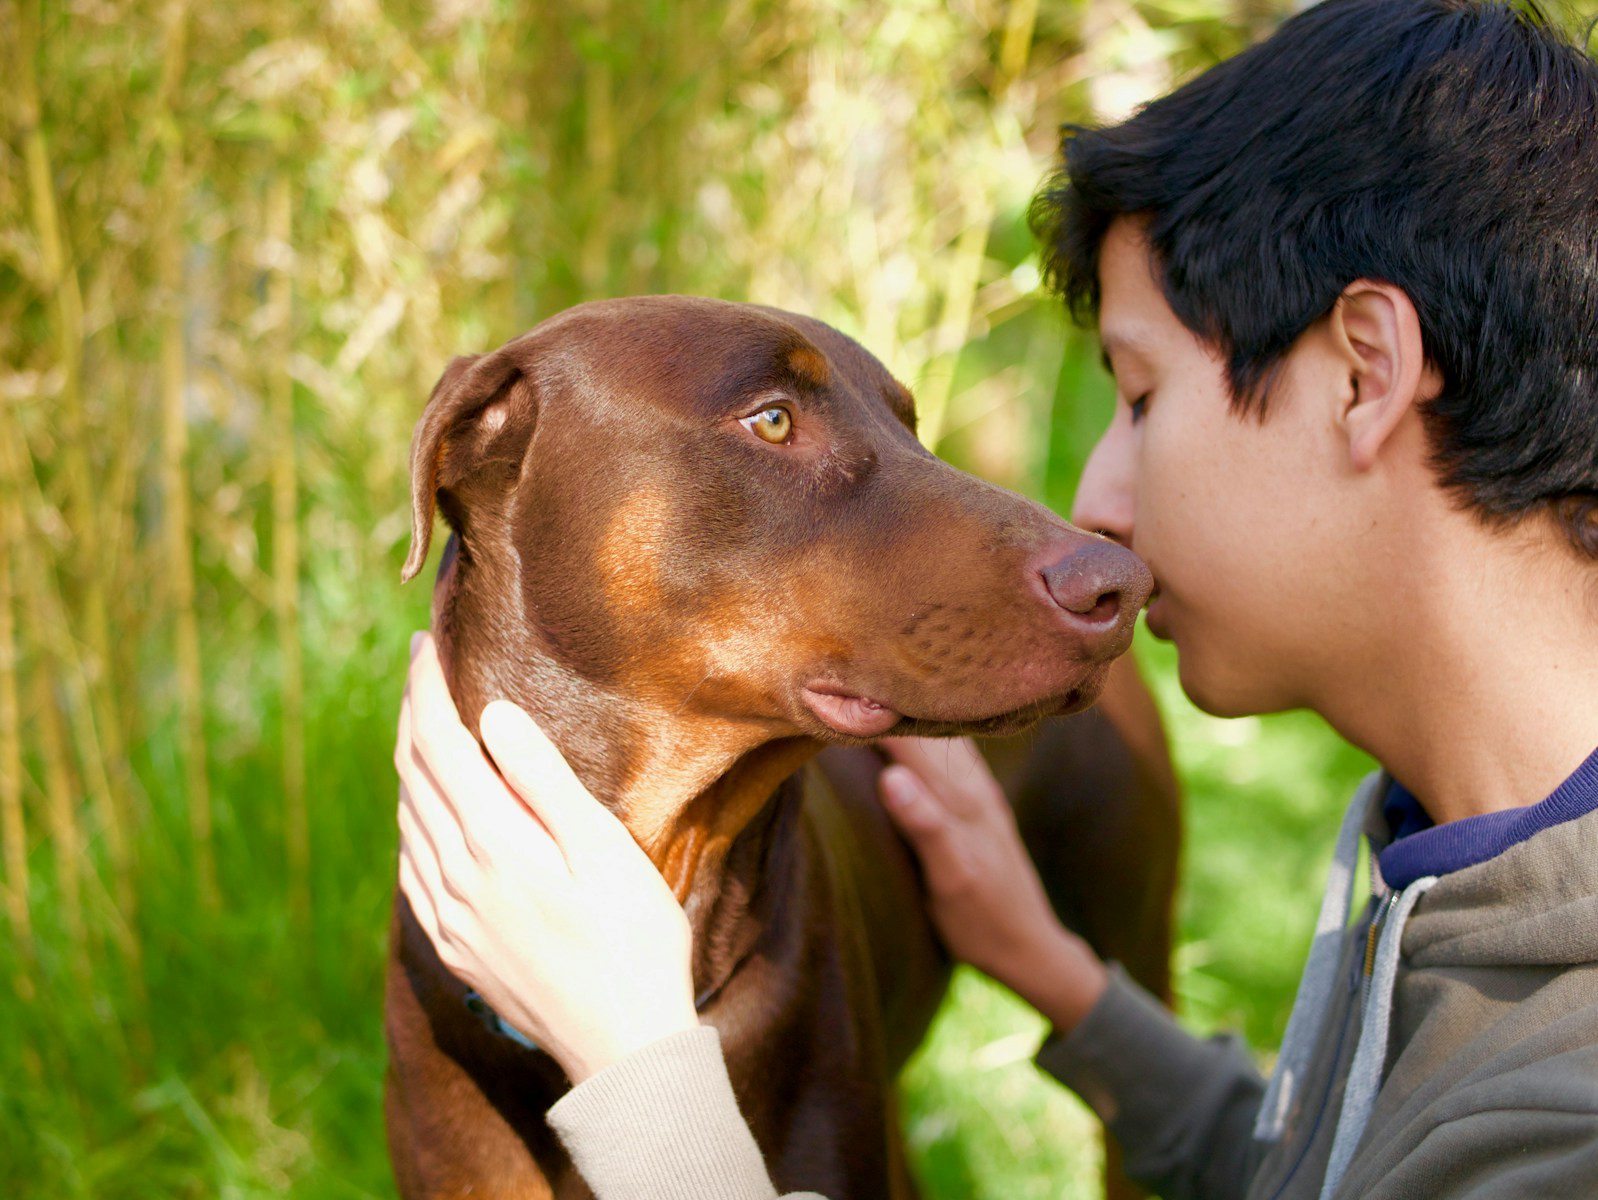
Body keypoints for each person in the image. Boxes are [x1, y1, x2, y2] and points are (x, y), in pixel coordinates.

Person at [392, 1, 1598, 1197]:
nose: (1095, 512)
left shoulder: (1567, 1101)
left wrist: (642, 1077)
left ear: (1364, 375)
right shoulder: (1436, 860)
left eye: (1136, 396)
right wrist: (1060, 979)